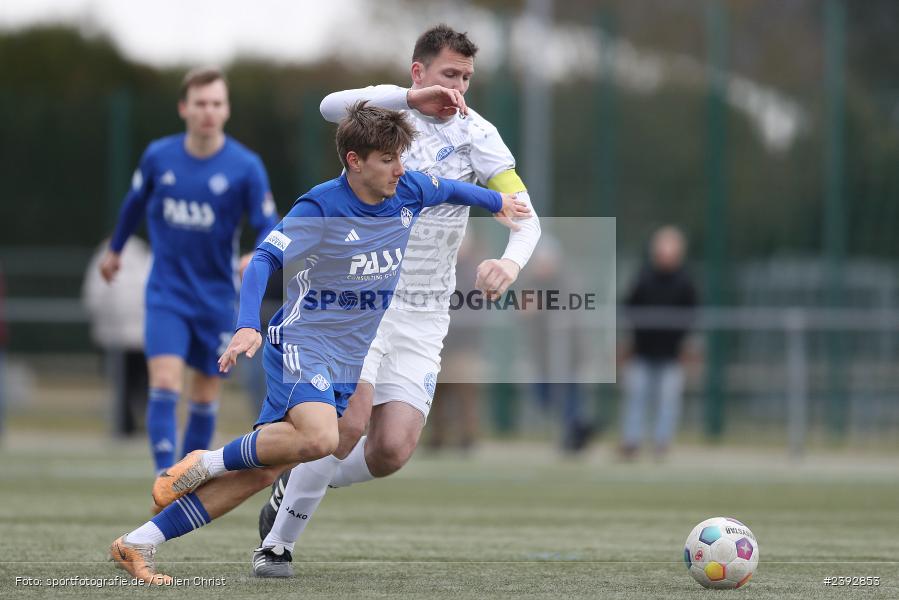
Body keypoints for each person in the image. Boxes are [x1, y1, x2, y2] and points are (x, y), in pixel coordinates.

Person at [108, 102, 530, 585]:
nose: (401, 168)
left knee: (264, 473)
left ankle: (138, 542)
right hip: (304, 344)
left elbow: (452, 189)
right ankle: (203, 461)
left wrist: (500, 204)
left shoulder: (410, 188)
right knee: (324, 439)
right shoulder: (320, 207)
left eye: (402, 157)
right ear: (354, 161)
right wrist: (247, 324)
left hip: (348, 359)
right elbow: (264, 260)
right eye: (388, 159)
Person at [254, 24, 542, 577]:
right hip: (361, 296)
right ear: (420, 72)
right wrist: (411, 99)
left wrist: (510, 261)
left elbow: (522, 215)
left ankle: (294, 479)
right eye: (449, 74)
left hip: (427, 311)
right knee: (348, 422)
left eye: (466, 77)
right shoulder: (389, 115)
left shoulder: (480, 136)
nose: (458, 86)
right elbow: (327, 105)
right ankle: (277, 547)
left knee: (391, 451)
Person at [100, 67, 279, 474]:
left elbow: (269, 221)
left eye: (216, 103)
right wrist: (115, 250)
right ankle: (165, 477)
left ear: (226, 109)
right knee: (164, 382)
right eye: (200, 103)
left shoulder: (245, 166)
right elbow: (134, 204)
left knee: (203, 393)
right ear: (184, 107)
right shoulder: (158, 156)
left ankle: (185, 477)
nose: (208, 111)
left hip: (217, 298)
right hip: (167, 293)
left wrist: (258, 251)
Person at [620, 226, 698, 459]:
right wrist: (627, 344)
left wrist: (689, 347)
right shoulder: (643, 278)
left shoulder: (686, 283)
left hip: (671, 354)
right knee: (636, 397)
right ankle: (631, 442)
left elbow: (693, 317)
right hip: (642, 352)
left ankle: (661, 443)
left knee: (668, 401)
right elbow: (628, 309)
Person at [83, 238, 152, 436]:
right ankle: (137, 424)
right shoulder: (143, 258)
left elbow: (93, 298)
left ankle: (126, 425)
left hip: (114, 336)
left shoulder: (104, 256)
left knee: (124, 384)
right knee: (143, 384)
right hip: (140, 337)